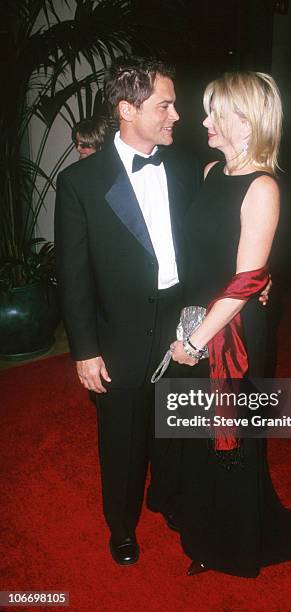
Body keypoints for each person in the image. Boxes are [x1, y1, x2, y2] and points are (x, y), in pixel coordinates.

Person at [148, 71, 291, 577]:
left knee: (228, 438)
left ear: (244, 123)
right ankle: (196, 517)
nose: (202, 121)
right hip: (194, 320)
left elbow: (246, 281)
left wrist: (195, 342)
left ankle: (228, 542)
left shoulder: (263, 186)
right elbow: (204, 255)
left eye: (213, 113)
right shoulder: (209, 173)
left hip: (230, 333)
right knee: (191, 431)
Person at [55, 56, 201, 566]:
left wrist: (251, 280)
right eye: (165, 104)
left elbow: (203, 243)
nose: (176, 115)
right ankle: (121, 526)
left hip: (180, 324)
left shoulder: (181, 166)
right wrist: (85, 350)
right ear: (126, 109)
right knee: (121, 439)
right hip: (117, 332)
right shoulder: (80, 184)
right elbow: (73, 277)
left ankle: (169, 497)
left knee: (176, 424)